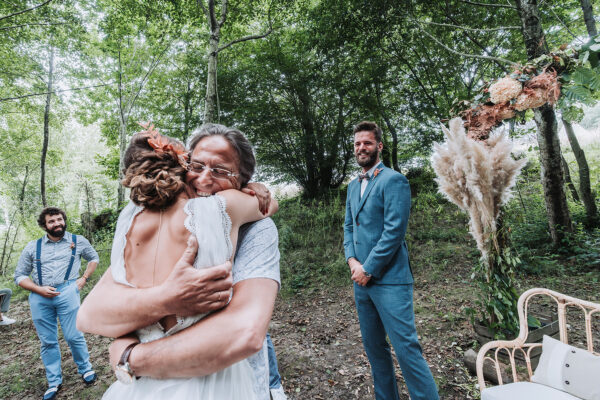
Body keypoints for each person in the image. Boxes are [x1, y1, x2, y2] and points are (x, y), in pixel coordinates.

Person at [78, 124, 282, 399]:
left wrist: (129, 355)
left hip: (145, 383)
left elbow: (245, 332)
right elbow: (90, 314)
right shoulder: (223, 208)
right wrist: (168, 297)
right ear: (183, 164)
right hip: (210, 383)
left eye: (220, 171)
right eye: (196, 166)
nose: (204, 179)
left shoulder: (128, 222)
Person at [343, 121, 438, 400]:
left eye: (367, 143)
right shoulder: (352, 186)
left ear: (379, 146)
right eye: (358, 143)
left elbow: (394, 232)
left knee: (406, 349)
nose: (362, 148)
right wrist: (352, 262)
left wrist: (369, 269)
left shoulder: (394, 180)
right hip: (360, 281)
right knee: (375, 349)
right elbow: (349, 227)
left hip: (390, 280)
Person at [14, 207, 99, 400]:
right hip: (39, 296)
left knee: (73, 335)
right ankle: (54, 382)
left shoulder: (77, 241)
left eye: (59, 219)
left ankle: (85, 369)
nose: (57, 223)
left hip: (67, 291)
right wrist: (38, 289)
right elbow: (19, 276)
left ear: (64, 220)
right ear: (45, 225)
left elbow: (93, 258)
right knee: (47, 340)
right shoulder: (32, 247)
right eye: (52, 221)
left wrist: (83, 278)